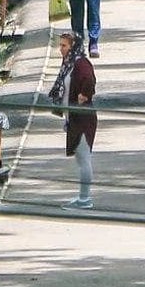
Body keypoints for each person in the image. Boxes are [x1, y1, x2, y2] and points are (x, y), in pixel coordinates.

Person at [49, 32, 98, 209]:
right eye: (60, 45)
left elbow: (90, 80)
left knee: (84, 158)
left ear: (73, 46)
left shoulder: (81, 63)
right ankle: (82, 196)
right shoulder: (69, 63)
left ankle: (85, 199)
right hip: (74, 118)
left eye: (64, 46)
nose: (61, 49)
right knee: (80, 157)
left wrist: (84, 95)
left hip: (84, 118)